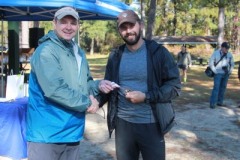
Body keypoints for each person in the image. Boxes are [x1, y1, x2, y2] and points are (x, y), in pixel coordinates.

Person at [26, 6, 116, 160]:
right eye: (63, 22)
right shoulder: (46, 51)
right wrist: (88, 103)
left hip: (72, 132)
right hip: (48, 134)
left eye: (73, 23)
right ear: (54, 23)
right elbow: (55, 89)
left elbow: (85, 83)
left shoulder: (78, 51)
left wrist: (99, 85)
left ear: (78, 26)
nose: (68, 27)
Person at [99, 10, 181, 160]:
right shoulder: (115, 55)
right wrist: (97, 100)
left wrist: (146, 96)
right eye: (123, 28)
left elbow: (174, 86)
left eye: (131, 25)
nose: (128, 31)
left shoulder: (158, 53)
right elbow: (108, 87)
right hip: (123, 125)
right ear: (119, 31)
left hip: (151, 124)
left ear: (140, 25)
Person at [209, 42, 234, 109]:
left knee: (223, 88)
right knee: (216, 88)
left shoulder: (229, 54)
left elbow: (232, 63)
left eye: (228, 48)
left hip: (226, 74)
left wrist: (230, 71)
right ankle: (213, 103)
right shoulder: (216, 53)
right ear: (222, 47)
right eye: (226, 48)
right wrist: (215, 71)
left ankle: (220, 102)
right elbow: (211, 63)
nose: (227, 50)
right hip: (218, 73)